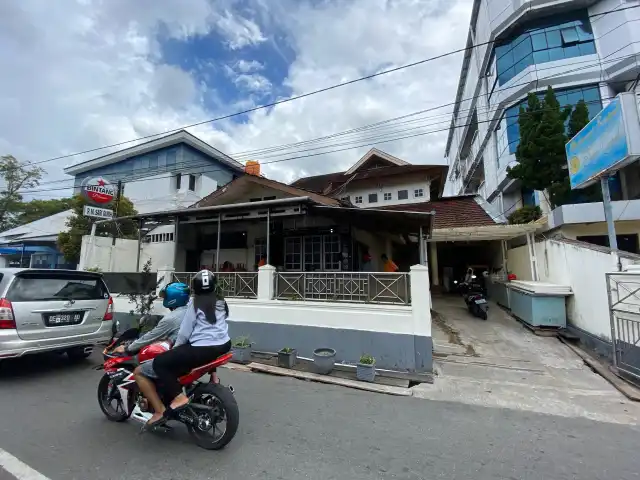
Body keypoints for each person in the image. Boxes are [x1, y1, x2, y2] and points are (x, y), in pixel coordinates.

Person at [143, 270, 232, 429]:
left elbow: (185, 331)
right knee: (205, 353)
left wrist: (175, 351)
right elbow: (224, 318)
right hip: (224, 344)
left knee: (160, 363)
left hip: (203, 347)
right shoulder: (221, 301)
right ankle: (214, 379)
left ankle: (179, 398)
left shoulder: (195, 302)